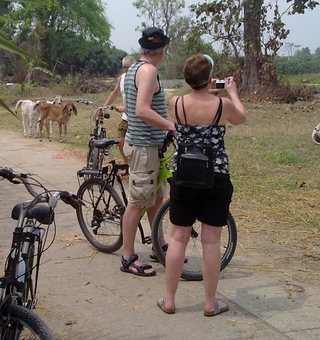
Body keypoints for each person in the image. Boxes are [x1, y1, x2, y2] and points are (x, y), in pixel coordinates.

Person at [156, 54, 246, 316]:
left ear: (187, 78)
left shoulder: (176, 103)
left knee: (177, 238)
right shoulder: (223, 105)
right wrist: (232, 91)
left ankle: (169, 299)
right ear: (210, 79)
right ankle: (210, 303)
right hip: (215, 176)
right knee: (210, 241)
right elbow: (240, 118)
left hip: (184, 175)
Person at [119, 27, 175, 277]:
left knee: (156, 198)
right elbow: (141, 110)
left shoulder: (134, 68)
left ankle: (159, 244)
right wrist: (171, 125)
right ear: (163, 50)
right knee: (137, 203)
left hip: (150, 146)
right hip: (143, 147)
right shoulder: (149, 70)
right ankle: (128, 256)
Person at [103, 55, 136, 168]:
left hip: (136, 117)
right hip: (126, 117)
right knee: (120, 141)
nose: (131, 70)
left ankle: (133, 166)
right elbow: (115, 92)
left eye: (133, 67)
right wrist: (105, 106)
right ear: (123, 68)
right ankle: (127, 164)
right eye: (128, 67)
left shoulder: (138, 78)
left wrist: (126, 108)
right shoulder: (121, 78)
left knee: (134, 145)